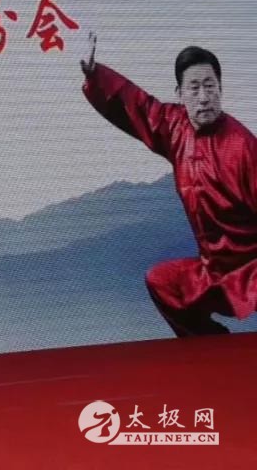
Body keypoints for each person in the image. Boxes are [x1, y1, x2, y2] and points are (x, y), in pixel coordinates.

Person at [81, 33, 257, 337]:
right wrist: (97, 74)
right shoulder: (175, 128)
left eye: (210, 86)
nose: (204, 97)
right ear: (180, 94)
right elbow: (136, 105)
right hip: (214, 272)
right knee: (162, 281)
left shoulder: (243, 148)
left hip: (252, 270)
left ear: (221, 89)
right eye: (194, 88)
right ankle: (210, 345)